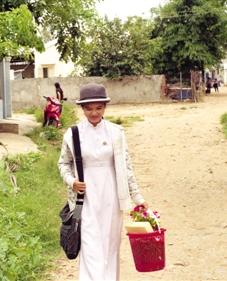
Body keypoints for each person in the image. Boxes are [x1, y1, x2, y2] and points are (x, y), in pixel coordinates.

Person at [58, 83, 149, 280]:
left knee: (110, 247)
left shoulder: (116, 133)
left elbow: (126, 168)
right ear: (82, 109)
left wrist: (138, 198)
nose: (94, 113)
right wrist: (72, 181)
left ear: (105, 107)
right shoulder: (73, 134)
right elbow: (64, 164)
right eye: (89, 109)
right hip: (85, 199)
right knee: (90, 247)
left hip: (112, 197)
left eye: (98, 108)